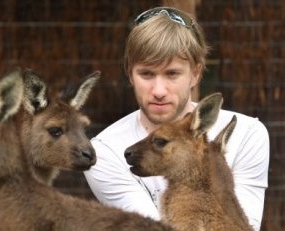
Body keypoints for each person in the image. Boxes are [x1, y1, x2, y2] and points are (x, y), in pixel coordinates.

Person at [84, 6, 269, 231]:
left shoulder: (246, 133)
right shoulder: (104, 152)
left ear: (196, 73)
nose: (159, 90)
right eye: (147, 74)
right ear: (130, 74)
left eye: (172, 73)